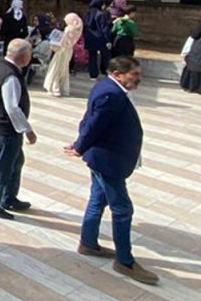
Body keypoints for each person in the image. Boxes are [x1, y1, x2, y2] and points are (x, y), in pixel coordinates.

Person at [65, 56, 158, 285]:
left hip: (103, 157)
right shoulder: (112, 95)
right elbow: (95, 124)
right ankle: (125, 261)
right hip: (108, 161)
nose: (138, 79)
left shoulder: (107, 87)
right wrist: (79, 146)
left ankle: (88, 243)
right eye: (133, 75)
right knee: (122, 209)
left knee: (97, 199)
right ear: (118, 74)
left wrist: (81, 145)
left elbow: (91, 121)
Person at [0, 39, 37, 220]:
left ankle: (9, 198)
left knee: (16, 161)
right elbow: (12, 107)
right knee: (3, 166)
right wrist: (27, 129)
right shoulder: (10, 76)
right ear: (24, 56)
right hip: (5, 128)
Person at [43, 13, 83, 97]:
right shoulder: (77, 30)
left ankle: (54, 88)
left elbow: (62, 41)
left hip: (62, 51)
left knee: (55, 69)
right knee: (64, 70)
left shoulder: (68, 29)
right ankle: (63, 88)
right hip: (69, 51)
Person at [83, 0, 112, 79]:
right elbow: (104, 29)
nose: (104, 6)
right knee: (105, 55)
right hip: (100, 39)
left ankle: (93, 75)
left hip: (90, 38)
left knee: (92, 57)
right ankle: (105, 71)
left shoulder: (87, 14)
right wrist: (108, 40)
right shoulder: (101, 14)